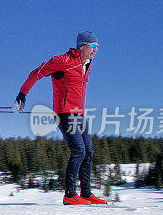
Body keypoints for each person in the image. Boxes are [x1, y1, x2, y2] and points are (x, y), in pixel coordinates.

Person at [13, 31, 107, 205]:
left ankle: (86, 194)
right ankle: (70, 195)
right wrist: (22, 93)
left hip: (79, 113)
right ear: (82, 46)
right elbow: (37, 73)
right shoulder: (62, 61)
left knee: (89, 152)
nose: (96, 50)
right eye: (93, 46)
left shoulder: (86, 64)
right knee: (79, 150)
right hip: (64, 113)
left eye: (97, 47)